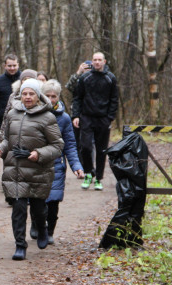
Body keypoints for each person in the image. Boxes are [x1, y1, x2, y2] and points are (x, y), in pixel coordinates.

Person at [0, 79, 64, 260]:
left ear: (38, 96)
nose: (27, 97)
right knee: (18, 208)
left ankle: (42, 229)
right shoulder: (12, 114)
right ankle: (20, 245)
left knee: (39, 210)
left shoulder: (47, 117)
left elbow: (57, 145)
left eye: (31, 93)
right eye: (24, 93)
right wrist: (1, 148)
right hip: (16, 170)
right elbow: (8, 139)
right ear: (20, 95)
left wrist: (38, 154)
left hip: (38, 172)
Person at [41, 79, 84, 244]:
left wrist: (77, 167)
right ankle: (38, 226)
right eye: (47, 96)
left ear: (58, 97)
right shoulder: (33, 114)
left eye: (54, 96)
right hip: (36, 164)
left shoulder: (65, 119)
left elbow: (70, 145)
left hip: (56, 165)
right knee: (38, 202)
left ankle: (49, 230)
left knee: (53, 201)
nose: (51, 99)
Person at [72, 52, 119, 191]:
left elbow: (114, 99)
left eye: (99, 60)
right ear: (92, 62)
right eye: (95, 60)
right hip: (86, 117)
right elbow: (77, 97)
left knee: (101, 149)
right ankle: (88, 173)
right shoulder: (85, 77)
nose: (97, 62)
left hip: (103, 118)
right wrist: (76, 116)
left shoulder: (111, 78)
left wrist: (110, 117)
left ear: (104, 61)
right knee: (85, 147)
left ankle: (98, 178)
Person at [0, 54, 21, 186]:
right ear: (5, 66)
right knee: (3, 151)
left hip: (20, 122)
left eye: (14, 65)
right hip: (3, 122)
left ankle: (15, 179)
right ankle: (3, 175)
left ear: (18, 65)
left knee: (16, 152)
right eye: (9, 65)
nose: (12, 68)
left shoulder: (23, 80)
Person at [65, 60, 93, 174]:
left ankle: (89, 166)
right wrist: (78, 72)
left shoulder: (95, 79)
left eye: (89, 69)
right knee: (76, 141)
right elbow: (69, 87)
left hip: (91, 115)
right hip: (76, 114)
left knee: (89, 143)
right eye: (85, 69)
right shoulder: (78, 80)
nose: (87, 72)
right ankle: (79, 165)